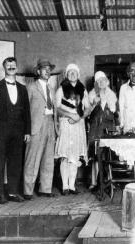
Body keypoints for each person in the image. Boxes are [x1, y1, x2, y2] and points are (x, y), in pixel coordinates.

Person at [0, 57, 31, 204]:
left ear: (16, 67)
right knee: (0, 161)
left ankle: (13, 192)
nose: (11, 67)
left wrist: (27, 131)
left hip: (18, 132)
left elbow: (27, 112)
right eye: (8, 65)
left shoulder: (22, 88)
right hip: (1, 131)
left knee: (15, 162)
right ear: (4, 67)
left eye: (13, 65)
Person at [23, 59, 57, 199]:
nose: (47, 71)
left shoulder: (51, 88)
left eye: (49, 69)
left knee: (48, 159)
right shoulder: (31, 87)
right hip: (36, 126)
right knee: (32, 159)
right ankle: (28, 191)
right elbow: (25, 110)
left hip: (50, 123)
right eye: (44, 68)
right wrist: (27, 130)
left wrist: (56, 127)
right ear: (38, 71)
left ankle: (45, 189)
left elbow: (55, 109)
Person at [55, 64, 90, 195]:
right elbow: (57, 108)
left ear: (78, 74)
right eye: (70, 72)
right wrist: (70, 115)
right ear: (66, 74)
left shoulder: (83, 89)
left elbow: (88, 108)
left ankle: (72, 186)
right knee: (65, 155)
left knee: (74, 155)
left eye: (75, 72)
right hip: (65, 123)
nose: (72, 74)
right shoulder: (61, 89)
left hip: (78, 124)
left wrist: (78, 117)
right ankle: (64, 186)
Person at [87, 71, 119, 190]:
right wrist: (93, 104)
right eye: (98, 81)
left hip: (108, 129)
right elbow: (87, 113)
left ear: (107, 82)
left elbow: (116, 114)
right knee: (95, 156)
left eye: (103, 80)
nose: (101, 83)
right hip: (95, 128)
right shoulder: (91, 95)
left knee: (108, 155)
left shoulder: (112, 95)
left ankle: (109, 180)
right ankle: (94, 182)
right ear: (96, 83)